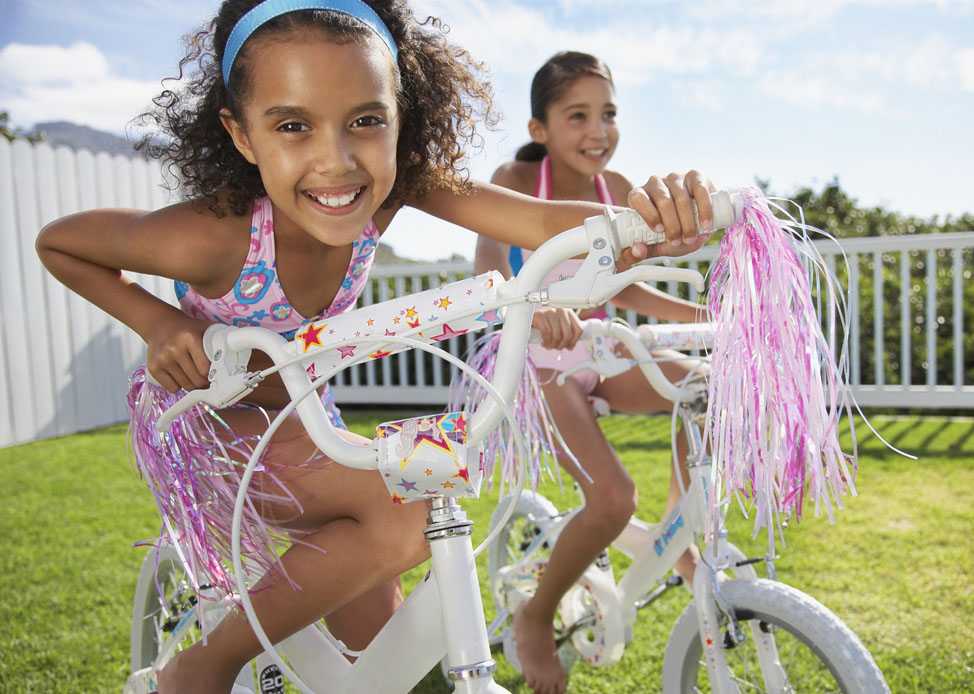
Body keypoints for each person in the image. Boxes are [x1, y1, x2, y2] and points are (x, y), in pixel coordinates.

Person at [36, 4, 714, 693]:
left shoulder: (390, 195)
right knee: (407, 515)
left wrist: (648, 224)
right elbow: (60, 242)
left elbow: (539, 222)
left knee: (393, 663)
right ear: (241, 135)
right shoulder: (212, 236)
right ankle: (203, 665)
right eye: (293, 125)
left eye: (366, 120)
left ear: (400, 116)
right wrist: (159, 323)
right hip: (217, 426)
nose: (336, 160)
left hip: (308, 424)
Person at [475, 51, 709, 694]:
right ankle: (535, 615)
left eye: (608, 113)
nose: (598, 130)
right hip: (536, 364)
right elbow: (487, 275)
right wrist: (531, 305)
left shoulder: (617, 189)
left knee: (701, 383)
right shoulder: (517, 180)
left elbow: (627, 289)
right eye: (577, 115)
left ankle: (676, 537)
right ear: (540, 127)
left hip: (599, 348)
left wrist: (706, 312)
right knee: (610, 499)